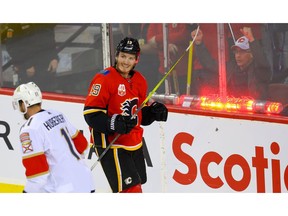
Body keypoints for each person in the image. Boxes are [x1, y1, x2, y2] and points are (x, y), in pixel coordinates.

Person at [83, 37, 168, 193]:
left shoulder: (140, 80)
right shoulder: (103, 79)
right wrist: (114, 123)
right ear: (116, 56)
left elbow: (139, 114)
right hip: (111, 144)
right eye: (123, 56)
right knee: (131, 191)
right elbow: (91, 114)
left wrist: (153, 112)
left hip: (134, 142)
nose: (126, 61)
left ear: (136, 60)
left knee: (136, 184)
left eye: (130, 58)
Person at [12, 82, 94, 192]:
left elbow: (37, 175)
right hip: (87, 183)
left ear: (24, 104)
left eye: (19, 103)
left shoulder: (29, 129)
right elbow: (82, 144)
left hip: (63, 190)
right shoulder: (57, 114)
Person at [191, 26, 272, 100]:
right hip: (233, 111)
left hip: (254, 113)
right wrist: (199, 44)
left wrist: (252, 40)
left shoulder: (259, 71)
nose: (238, 56)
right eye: (236, 52)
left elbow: (262, 63)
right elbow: (210, 64)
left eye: (242, 52)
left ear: (252, 54)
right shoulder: (232, 67)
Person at [3, 24, 59, 92]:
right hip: (28, 68)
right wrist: (27, 64)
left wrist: (54, 57)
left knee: (49, 95)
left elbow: (49, 36)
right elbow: (12, 45)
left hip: (47, 65)